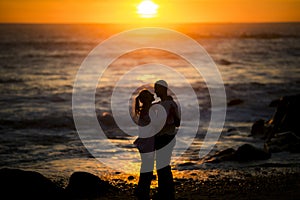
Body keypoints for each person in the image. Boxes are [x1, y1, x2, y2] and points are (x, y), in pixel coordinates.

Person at [134, 80, 180, 200]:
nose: (154, 92)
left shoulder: (165, 105)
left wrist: (170, 107)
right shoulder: (151, 109)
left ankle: (162, 193)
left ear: (163, 89)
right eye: (152, 92)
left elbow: (176, 122)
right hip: (150, 143)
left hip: (160, 140)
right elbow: (155, 123)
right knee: (156, 167)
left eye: (156, 89)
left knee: (160, 167)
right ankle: (153, 192)